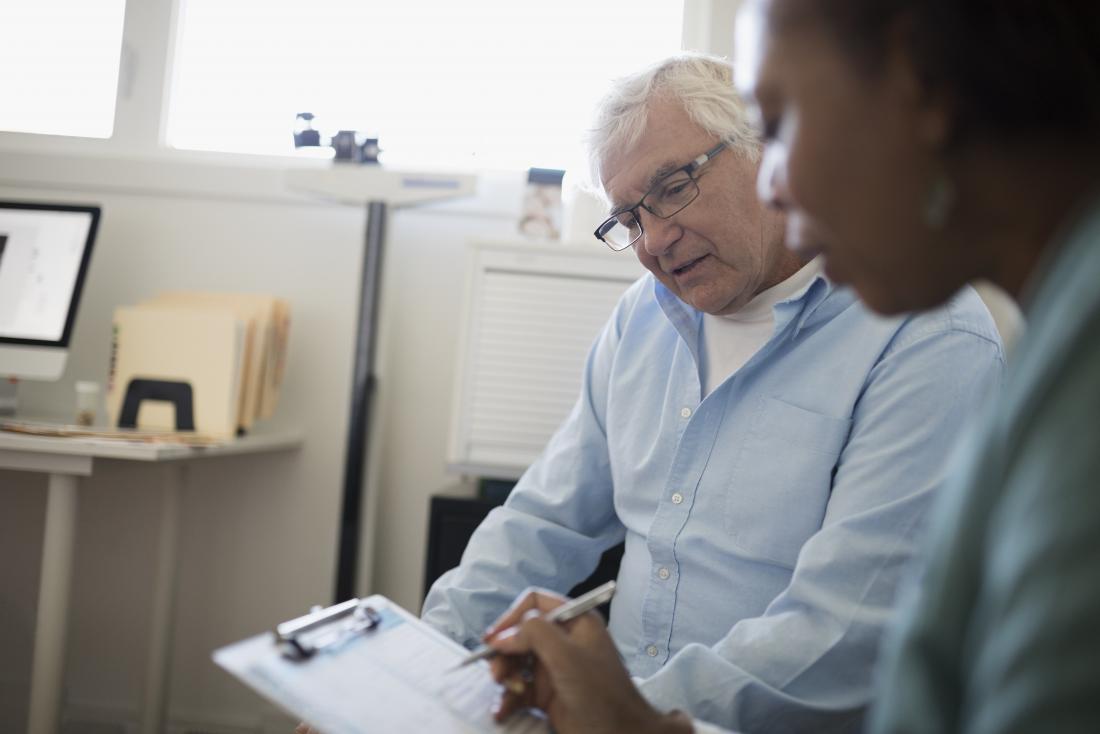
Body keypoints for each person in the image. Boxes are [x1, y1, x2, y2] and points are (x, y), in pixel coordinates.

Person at [484, 1, 1100, 733]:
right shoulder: (642, 318)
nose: (778, 184)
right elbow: (538, 523)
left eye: (778, 127)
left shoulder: (959, 343)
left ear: (919, 84)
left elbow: (860, 647)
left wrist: (626, 718)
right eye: (628, 219)